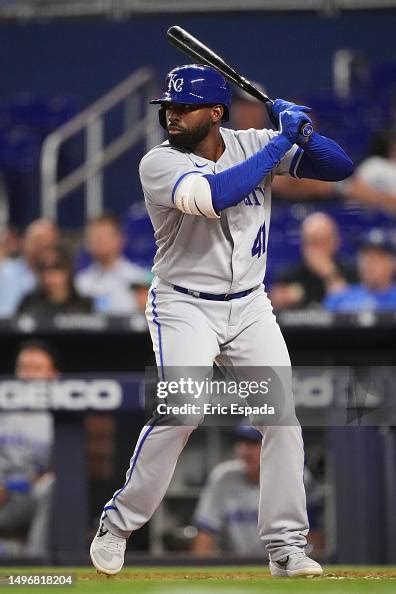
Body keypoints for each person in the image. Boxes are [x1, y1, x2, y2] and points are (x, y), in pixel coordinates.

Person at [90, 64, 353, 578]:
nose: (172, 115)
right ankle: (118, 524)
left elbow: (339, 167)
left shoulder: (253, 140)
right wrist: (279, 146)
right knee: (183, 409)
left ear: (215, 112)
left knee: (282, 419)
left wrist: (302, 131)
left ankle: (285, 547)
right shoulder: (158, 164)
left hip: (250, 304)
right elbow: (215, 196)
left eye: (183, 108)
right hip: (184, 303)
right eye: (168, 108)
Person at [192, 426, 324, 558]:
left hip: (282, 563)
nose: (245, 451)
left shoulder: (296, 477)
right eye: (242, 443)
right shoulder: (223, 477)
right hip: (234, 564)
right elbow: (205, 533)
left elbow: (312, 534)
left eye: (254, 443)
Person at [0, 340, 57, 558]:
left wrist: (13, 485)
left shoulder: (58, 416)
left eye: (37, 369)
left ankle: (34, 561)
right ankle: (9, 551)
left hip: (25, 497)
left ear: (53, 375)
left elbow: (57, 469)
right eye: (24, 368)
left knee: (51, 486)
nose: (29, 375)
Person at [270, 212, 357, 311]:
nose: (313, 249)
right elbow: (274, 304)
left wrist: (330, 275)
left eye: (320, 242)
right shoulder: (289, 275)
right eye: (309, 242)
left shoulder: (350, 272)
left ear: (335, 242)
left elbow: (347, 306)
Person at [76, 214, 149, 314]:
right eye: (94, 237)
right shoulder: (81, 282)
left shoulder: (138, 278)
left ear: (119, 239)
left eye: (103, 237)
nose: (99, 242)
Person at [323, 230, 396, 312]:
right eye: (364, 255)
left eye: (378, 256)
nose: (369, 262)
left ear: (392, 263)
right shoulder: (339, 298)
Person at [0, 218, 60, 317]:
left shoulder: (61, 277)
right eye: (38, 240)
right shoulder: (5, 271)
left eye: (49, 242)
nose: (42, 246)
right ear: (25, 242)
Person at [17, 243, 92, 316]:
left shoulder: (84, 305)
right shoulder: (29, 304)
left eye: (57, 266)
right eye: (43, 267)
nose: (50, 273)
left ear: (68, 269)